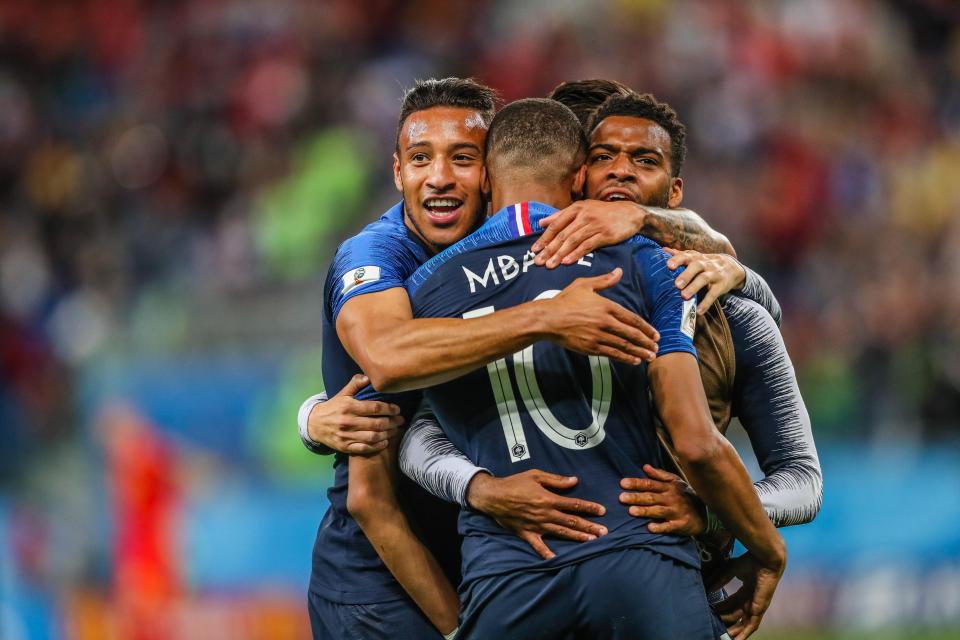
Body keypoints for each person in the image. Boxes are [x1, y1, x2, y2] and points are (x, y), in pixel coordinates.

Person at [400, 88, 821, 637]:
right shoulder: (648, 272)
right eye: (603, 157)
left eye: (644, 161)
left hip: (639, 574)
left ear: (673, 193)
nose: (620, 172)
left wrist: (710, 509)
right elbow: (415, 427)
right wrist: (480, 487)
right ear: (578, 175)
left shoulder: (732, 310)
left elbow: (804, 480)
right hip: (642, 569)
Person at [307, 77, 662, 640]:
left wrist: (680, 232)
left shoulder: (520, 243)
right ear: (398, 173)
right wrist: (545, 318)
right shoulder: (378, 257)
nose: (441, 177)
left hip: (491, 565)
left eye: (462, 158)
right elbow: (386, 368)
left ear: (492, 172)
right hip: (381, 588)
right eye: (421, 159)